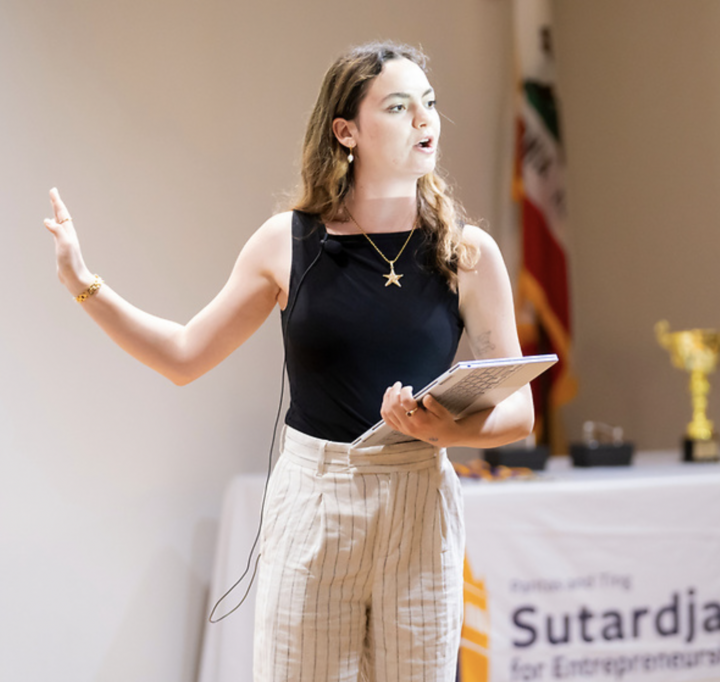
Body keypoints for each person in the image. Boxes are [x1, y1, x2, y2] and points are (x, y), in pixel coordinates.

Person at [42, 41, 533, 682]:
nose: (425, 120)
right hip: (316, 503)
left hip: (421, 501)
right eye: (399, 106)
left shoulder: (467, 252)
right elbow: (184, 356)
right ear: (346, 131)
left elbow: (519, 408)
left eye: (429, 104)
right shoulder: (288, 242)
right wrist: (84, 283)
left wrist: (448, 431)